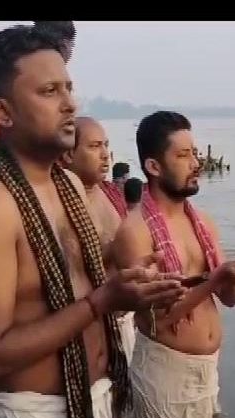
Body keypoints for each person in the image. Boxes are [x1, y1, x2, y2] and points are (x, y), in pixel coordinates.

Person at [0, 26, 186, 418]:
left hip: (95, 404)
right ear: (2, 111)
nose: (70, 104)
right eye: (48, 91)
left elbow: (76, 285)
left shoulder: (71, 187)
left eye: (69, 88)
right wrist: (101, 302)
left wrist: (132, 283)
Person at [114, 111, 235, 418]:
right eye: (183, 155)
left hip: (209, 369)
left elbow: (228, 299)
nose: (196, 163)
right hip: (165, 373)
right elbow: (156, 320)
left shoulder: (203, 222)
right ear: (154, 166)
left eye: (195, 153)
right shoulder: (134, 232)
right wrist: (217, 277)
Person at [61, 116, 135, 363]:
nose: (105, 155)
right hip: (91, 323)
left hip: (124, 318)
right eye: (94, 146)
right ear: (68, 155)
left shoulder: (108, 192)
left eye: (106, 145)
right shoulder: (62, 202)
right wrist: (117, 248)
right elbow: (72, 268)